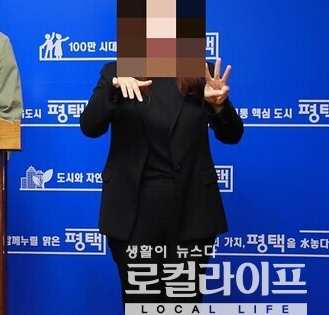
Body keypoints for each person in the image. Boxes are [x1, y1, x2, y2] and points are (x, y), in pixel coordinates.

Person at [79, 58, 243, 308]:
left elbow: (232, 135)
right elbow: (89, 126)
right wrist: (113, 90)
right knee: (140, 304)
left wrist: (218, 106)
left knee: (184, 304)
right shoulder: (116, 71)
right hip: (133, 214)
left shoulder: (202, 72)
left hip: (191, 211)